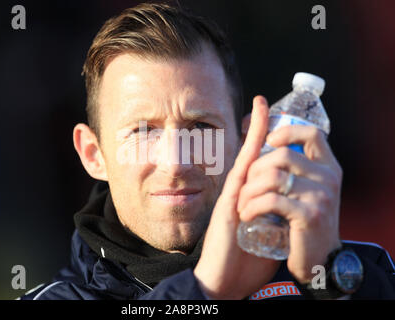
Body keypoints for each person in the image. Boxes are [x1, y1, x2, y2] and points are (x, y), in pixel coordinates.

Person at [21, 2, 395, 300]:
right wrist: (206, 291)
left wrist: (334, 281)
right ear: (93, 154)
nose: (176, 163)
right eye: (142, 131)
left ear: (246, 140)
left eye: (201, 127)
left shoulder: (362, 269)